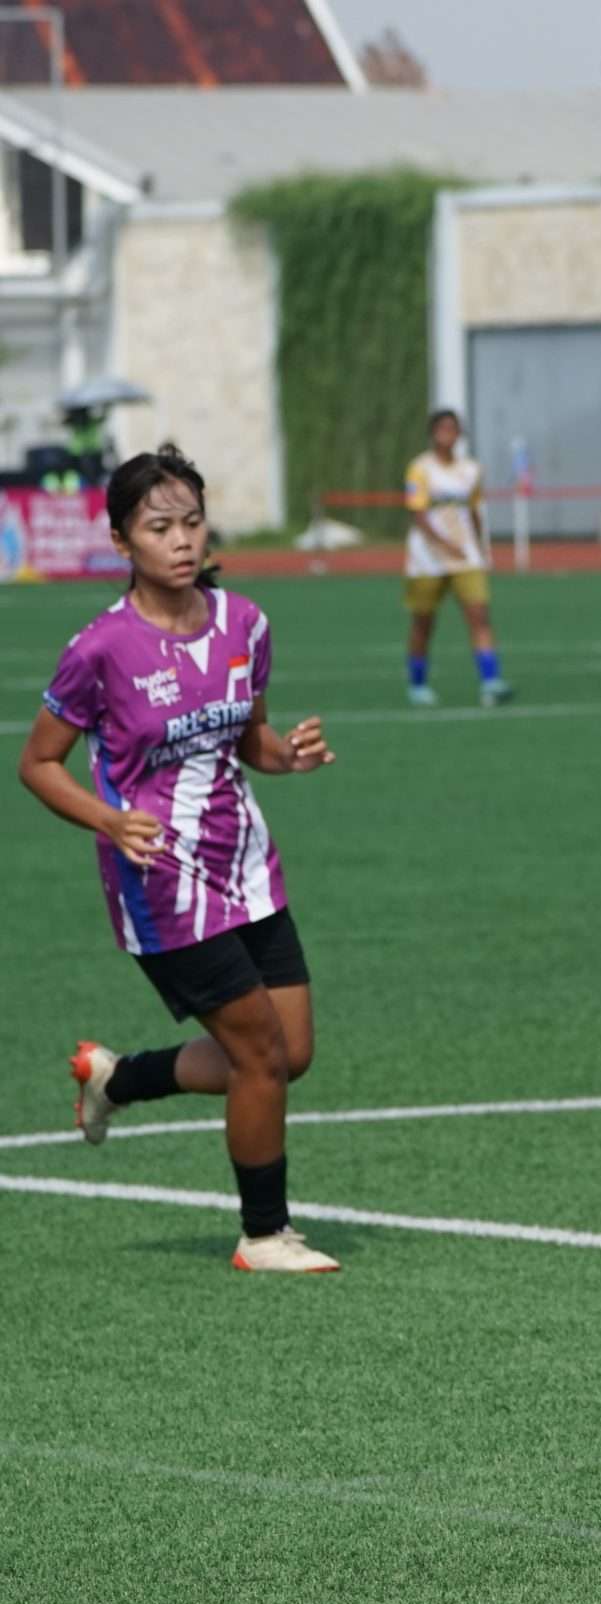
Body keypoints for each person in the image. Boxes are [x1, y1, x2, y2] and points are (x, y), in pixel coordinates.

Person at [15, 445, 340, 1273]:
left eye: (191, 521)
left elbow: (251, 740)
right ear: (123, 541)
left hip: (247, 868)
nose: (182, 540)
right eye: (159, 527)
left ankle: (117, 1081)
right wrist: (109, 820)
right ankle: (264, 1234)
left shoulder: (245, 622)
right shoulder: (100, 651)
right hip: (161, 885)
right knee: (260, 1057)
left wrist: (288, 757)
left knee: (287, 1055)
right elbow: (38, 764)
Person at [402, 408, 510, 709]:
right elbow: (418, 513)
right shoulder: (420, 468)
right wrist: (444, 545)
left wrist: (481, 545)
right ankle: (418, 683)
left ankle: (491, 681)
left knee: (479, 615)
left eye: (452, 428)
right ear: (432, 433)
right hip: (428, 558)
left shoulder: (471, 470)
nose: (447, 434)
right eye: (441, 428)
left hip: (467, 556)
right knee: (423, 622)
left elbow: (474, 511)